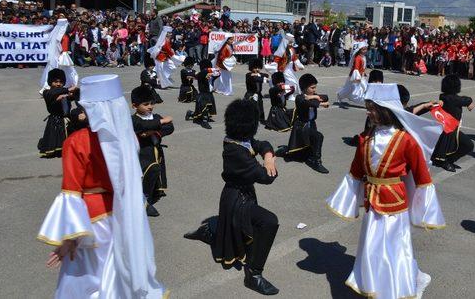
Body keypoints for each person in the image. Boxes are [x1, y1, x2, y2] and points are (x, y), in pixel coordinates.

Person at [37, 74, 167, 298]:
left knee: (87, 281)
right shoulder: (128, 139)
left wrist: (69, 238)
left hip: (92, 222)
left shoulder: (75, 142)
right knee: (120, 274)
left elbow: (71, 192)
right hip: (124, 216)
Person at [326, 83, 445, 299]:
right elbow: (355, 171)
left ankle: (403, 284)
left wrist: (426, 211)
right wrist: (344, 200)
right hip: (372, 200)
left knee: (396, 248)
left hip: (395, 203)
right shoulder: (365, 138)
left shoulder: (407, 140)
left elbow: (422, 176)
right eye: (368, 107)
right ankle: (375, 283)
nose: (368, 112)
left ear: (385, 109)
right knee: (372, 246)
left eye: (371, 108)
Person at [185, 99, 280, 295]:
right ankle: (253, 274)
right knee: (269, 221)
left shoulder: (239, 139)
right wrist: (270, 166)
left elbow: (262, 143)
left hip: (242, 193)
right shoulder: (234, 150)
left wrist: (268, 156)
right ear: (247, 126)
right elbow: (265, 177)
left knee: (240, 228)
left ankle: (210, 233)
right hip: (236, 199)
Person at [131, 86, 174, 217]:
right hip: (142, 152)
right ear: (134, 106)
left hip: (156, 150)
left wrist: (152, 132)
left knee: (155, 172)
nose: (150, 106)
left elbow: (170, 127)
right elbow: (140, 126)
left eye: (151, 103)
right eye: (145, 104)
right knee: (146, 173)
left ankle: (150, 196)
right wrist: (160, 122)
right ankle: (143, 201)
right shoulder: (134, 119)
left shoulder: (154, 116)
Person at [284, 74, 330, 174]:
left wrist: (314, 96)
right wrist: (319, 101)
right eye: (312, 88)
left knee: (311, 143)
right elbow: (309, 103)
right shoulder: (299, 98)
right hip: (302, 126)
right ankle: (317, 161)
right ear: (304, 88)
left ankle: (309, 155)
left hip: (311, 124)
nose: (314, 89)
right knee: (318, 136)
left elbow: (326, 97)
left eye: (315, 87)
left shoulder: (312, 96)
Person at [430, 75, 475, 172]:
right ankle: (447, 161)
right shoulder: (453, 99)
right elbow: (465, 99)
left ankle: (444, 160)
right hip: (449, 129)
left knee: (457, 145)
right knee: (468, 145)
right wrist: (470, 102)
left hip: (449, 127)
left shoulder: (444, 96)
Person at [38, 69, 79, 159]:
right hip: (54, 120)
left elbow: (74, 97)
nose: (58, 84)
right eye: (55, 82)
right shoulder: (47, 92)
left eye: (60, 82)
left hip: (66, 119)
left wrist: (75, 91)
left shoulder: (64, 92)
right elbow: (55, 93)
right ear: (50, 82)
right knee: (54, 141)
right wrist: (67, 90)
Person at [40, 17, 79, 94]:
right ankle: (68, 85)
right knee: (67, 70)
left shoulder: (60, 34)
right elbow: (59, 46)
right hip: (61, 56)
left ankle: (68, 85)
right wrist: (63, 53)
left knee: (67, 70)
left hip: (62, 55)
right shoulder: (61, 35)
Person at [187, 58, 219, 129]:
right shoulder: (201, 74)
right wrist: (210, 71)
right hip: (203, 94)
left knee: (205, 110)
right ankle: (204, 122)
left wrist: (212, 72)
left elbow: (218, 72)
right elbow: (204, 72)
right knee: (205, 108)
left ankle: (190, 113)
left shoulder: (211, 74)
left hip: (209, 94)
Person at [270, 33, 303, 101]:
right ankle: (289, 95)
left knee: (290, 81)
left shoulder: (292, 49)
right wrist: (273, 67)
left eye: (292, 41)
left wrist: (299, 64)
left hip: (290, 68)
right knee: (292, 81)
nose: (292, 42)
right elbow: (276, 59)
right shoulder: (282, 49)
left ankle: (287, 94)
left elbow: (294, 58)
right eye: (290, 41)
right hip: (284, 68)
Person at [336, 41, 368, 106]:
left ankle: (366, 101)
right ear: (360, 50)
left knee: (364, 88)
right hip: (355, 77)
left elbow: (362, 67)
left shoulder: (363, 57)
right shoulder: (358, 58)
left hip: (360, 76)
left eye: (366, 49)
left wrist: (364, 73)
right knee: (351, 89)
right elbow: (356, 68)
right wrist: (357, 77)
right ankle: (340, 96)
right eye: (363, 49)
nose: (365, 51)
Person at [245, 59, 269, 123]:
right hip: (251, 94)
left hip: (258, 94)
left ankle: (261, 119)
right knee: (251, 108)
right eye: (255, 68)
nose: (257, 69)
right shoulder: (248, 75)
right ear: (252, 68)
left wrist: (260, 75)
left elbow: (266, 75)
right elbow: (255, 79)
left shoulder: (259, 74)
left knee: (260, 106)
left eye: (258, 68)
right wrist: (259, 77)